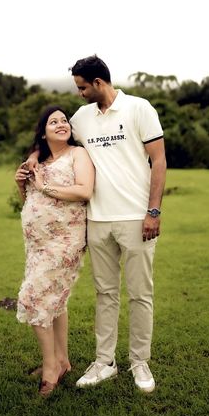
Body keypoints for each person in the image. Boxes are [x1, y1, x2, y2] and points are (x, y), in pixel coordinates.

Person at [27, 55, 166, 393]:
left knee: (139, 294)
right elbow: (53, 140)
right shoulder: (82, 118)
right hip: (97, 220)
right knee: (105, 294)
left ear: (98, 83)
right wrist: (32, 158)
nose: (79, 93)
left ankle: (140, 362)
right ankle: (105, 362)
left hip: (136, 218)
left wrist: (153, 212)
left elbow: (159, 160)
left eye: (82, 87)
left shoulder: (139, 108)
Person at [14, 105, 95, 397]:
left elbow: (84, 191)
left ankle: (50, 368)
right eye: (53, 121)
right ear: (43, 131)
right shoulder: (40, 160)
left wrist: (45, 187)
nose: (61, 124)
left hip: (65, 242)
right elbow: (30, 198)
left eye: (64, 120)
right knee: (56, 302)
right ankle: (62, 360)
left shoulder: (78, 154)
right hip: (37, 244)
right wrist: (21, 184)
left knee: (32, 298)